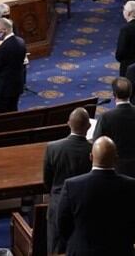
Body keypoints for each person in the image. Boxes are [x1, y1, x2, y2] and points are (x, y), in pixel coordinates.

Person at [57, 136, 135, 256]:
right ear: (116, 159)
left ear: (91, 157)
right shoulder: (133, 186)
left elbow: (62, 224)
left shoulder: (71, 186)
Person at [43, 108, 92, 255]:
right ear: (88, 126)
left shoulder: (53, 148)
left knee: (55, 246)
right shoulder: (93, 149)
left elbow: (47, 179)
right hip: (84, 205)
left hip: (58, 203)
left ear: (68, 124)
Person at [92, 78, 135, 181]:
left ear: (114, 95)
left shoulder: (106, 117)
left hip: (112, 170)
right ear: (131, 93)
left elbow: (96, 144)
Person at [0, 18, 27, 113]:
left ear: (4, 30)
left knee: (0, 117)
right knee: (12, 112)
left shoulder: (3, 48)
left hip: (2, 90)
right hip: (16, 86)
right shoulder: (21, 41)